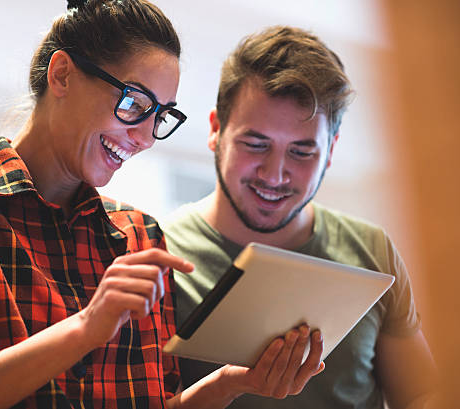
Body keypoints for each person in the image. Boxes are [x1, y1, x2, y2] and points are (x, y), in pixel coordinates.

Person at [0, 3, 324, 408]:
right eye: (134, 102)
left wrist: (228, 384)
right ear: (62, 74)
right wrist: (85, 327)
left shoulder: (139, 235)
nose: (144, 138)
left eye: (160, 116)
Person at [162, 26, 437, 409]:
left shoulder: (372, 250)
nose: (274, 175)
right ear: (215, 130)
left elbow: (423, 394)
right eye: (255, 144)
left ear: (331, 149)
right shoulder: (157, 252)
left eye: (302, 152)